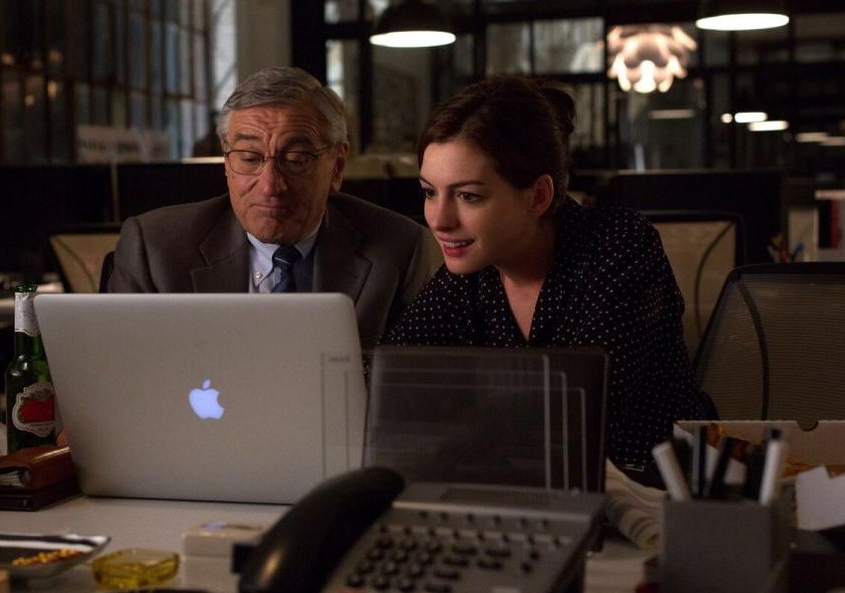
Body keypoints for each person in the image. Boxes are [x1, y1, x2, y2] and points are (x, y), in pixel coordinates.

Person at [381, 75, 717, 478]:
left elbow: (574, 406)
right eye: (429, 192)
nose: (438, 219)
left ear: (538, 196)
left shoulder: (619, 245)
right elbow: (387, 381)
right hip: (525, 488)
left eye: (468, 195)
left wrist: (450, 413)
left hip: (651, 490)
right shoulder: (471, 272)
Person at [108, 66, 441, 349]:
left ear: (337, 167)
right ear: (226, 162)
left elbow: (412, 386)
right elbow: (122, 373)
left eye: (296, 159)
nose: (270, 186)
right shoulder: (155, 248)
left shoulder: (399, 248)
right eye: (249, 158)